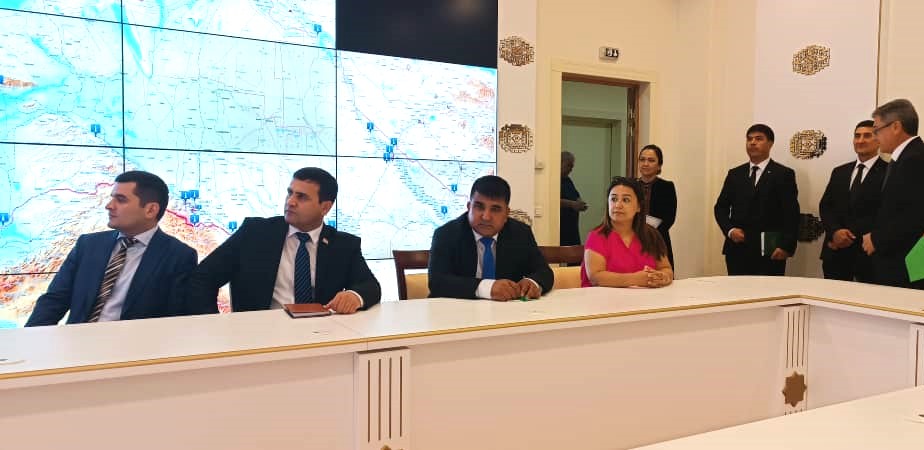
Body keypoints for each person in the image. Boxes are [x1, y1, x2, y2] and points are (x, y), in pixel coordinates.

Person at [186, 167, 380, 314]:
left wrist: (354, 296)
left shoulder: (343, 245)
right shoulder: (254, 233)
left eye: (302, 197)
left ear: (325, 207)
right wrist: (214, 325)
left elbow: (370, 286)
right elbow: (203, 278)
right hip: (259, 336)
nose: (290, 201)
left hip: (320, 335)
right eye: (290, 193)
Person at [26, 171, 197, 326]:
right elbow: (54, 300)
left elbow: (175, 320)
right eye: (112, 198)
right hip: (78, 342)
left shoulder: (178, 256)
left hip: (135, 347)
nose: (109, 205)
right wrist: (31, 339)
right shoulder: (88, 245)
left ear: (150, 210)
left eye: (120, 200)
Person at [862, 99, 924, 290]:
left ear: (896, 127)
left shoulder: (917, 159)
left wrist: (877, 239)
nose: (875, 137)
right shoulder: (908, 156)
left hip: (910, 266)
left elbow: (916, 216)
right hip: (902, 263)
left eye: (877, 130)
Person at [428, 175, 554, 300]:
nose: (486, 217)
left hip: (508, 309)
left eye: (495, 209)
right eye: (479, 207)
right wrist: (487, 288)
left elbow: (544, 272)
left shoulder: (520, 233)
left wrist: (533, 282)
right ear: (469, 207)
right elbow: (437, 282)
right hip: (457, 309)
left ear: (506, 214)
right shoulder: (446, 234)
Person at [714, 124, 800, 276]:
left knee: (769, 290)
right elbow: (720, 207)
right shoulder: (735, 174)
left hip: (771, 249)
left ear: (770, 143)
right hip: (737, 248)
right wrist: (730, 230)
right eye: (749, 139)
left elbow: (791, 213)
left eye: (759, 139)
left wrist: (786, 246)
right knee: (737, 290)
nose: (752, 142)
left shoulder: (783, 174)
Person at [819, 120, 888, 283]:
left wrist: (849, 236)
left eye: (867, 136)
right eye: (857, 136)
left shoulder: (890, 171)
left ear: (879, 140)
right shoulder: (840, 172)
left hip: (869, 256)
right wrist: (835, 232)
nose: (860, 140)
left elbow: (886, 212)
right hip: (835, 253)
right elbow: (826, 206)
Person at [582, 177, 672, 288]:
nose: (618, 205)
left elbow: (666, 268)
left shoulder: (651, 234)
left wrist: (662, 277)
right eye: (613, 199)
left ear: (639, 206)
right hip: (603, 298)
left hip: (646, 297)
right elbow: (596, 277)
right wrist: (636, 279)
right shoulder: (597, 236)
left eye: (625, 200)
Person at [636, 144, 677, 269]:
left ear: (659, 165)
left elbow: (669, 218)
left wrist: (643, 222)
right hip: (632, 238)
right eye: (642, 159)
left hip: (658, 239)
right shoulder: (630, 186)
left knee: (661, 275)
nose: (645, 164)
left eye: (651, 160)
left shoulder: (667, 187)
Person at [560, 151, 588, 246]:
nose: (571, 169)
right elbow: (553, 200)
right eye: (569, 166)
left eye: (572, 167)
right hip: (561, 227)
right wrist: (572, 204)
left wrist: (580, 203)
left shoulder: (567, 180)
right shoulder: (553, 179)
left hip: (572, 227)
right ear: (560, 163)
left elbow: (576, 195)